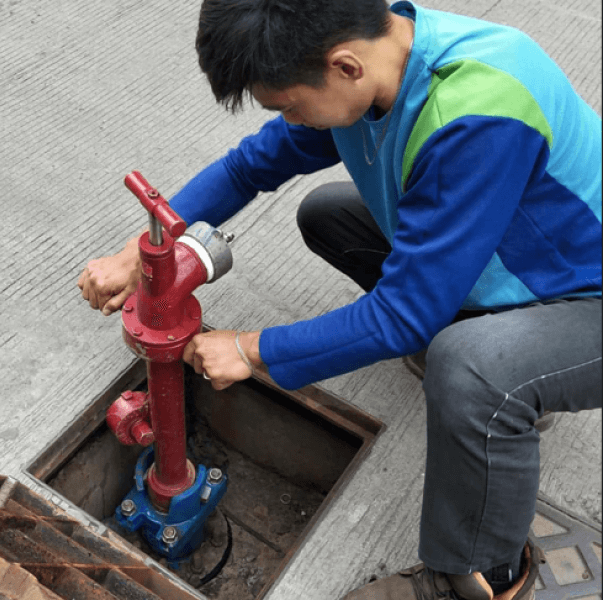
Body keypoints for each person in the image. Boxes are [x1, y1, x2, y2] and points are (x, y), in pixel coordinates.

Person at [78, 0, 602, 598]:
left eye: (292, 106)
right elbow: (251, 166)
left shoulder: (477, 113)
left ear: (344, 67)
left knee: (471, 370)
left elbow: (403, 315)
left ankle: (478, 575)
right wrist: (139, 251)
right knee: (329, 215)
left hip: (586, 296)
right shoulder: (380, 50)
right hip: (520, 255)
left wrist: (250, 350)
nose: (291, 121)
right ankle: (487, 341)